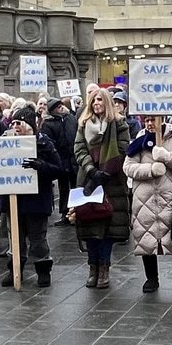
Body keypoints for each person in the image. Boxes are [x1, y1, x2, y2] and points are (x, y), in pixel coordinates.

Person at [124, 114, 172, 296]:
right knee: (146, 239)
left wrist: (167, 157)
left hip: (170, 198)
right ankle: (151, 279)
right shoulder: (139, 140)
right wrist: (150, 170)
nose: (150, 123)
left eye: (154, 119)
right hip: (144, 199)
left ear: (163, 120)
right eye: (147, 120)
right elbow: (128, 167)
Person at [0, 103, 65, 289]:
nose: (15, 127)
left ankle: (43, 270)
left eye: (19, 123)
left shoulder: (44, 143)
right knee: (15, 239)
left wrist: (41, 166)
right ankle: (14, 270)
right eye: (13, 123)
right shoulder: (2, 144)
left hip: (36, 200)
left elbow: (59, 170)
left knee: (38, 239)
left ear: (30, 125)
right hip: (13, 199)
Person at [73, 86, 131, 289]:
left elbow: (124, 148)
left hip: (111, 181)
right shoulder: (83, 124)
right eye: (94, 100)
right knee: (89, 226)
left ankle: (104, 268)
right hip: (88, 180)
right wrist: (91, 170)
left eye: (100, 100)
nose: (96, 103)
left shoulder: (119, 124)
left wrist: (106, 172)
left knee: (107, 229)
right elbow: (79, 148)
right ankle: (92, 267)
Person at [45, 94, 78, 223]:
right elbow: (50, 142)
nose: (61, 108)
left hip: (73, 157)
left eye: (61, 105)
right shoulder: (49, 123)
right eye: (58, 107)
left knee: (76, 185)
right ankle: (65, 213)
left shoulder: (70, 118)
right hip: (61, 158)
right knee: (64, 187)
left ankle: (76, 210)